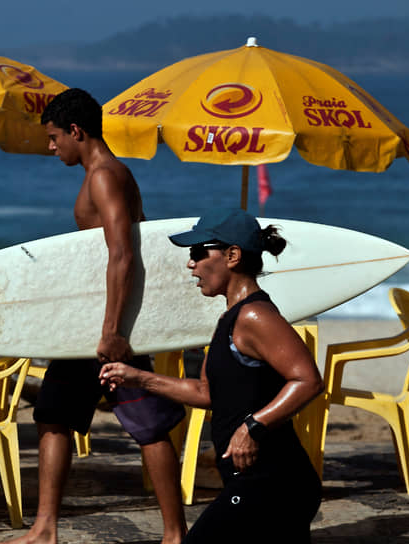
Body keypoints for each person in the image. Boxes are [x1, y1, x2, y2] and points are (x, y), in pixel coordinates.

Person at [0, 88, 187, 544]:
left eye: (55, 136)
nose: (51, 146)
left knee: (147, 423)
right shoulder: (104, 175)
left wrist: (115, 331)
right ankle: (44, 529)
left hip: (110, 327)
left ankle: (175, 534)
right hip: (93, 324)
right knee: (54, 415)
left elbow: (123, 254)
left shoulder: (105, 176)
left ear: (76, 131)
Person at [99, 207, 324, 542]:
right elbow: (206, 392)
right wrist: (139, 378)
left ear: (232, 255)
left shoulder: (255, 316)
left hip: (272, 481)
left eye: (198, 252)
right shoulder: (228, 320)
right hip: (256, 480)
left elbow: (308, 380)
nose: (191, 264)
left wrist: (252, 427)